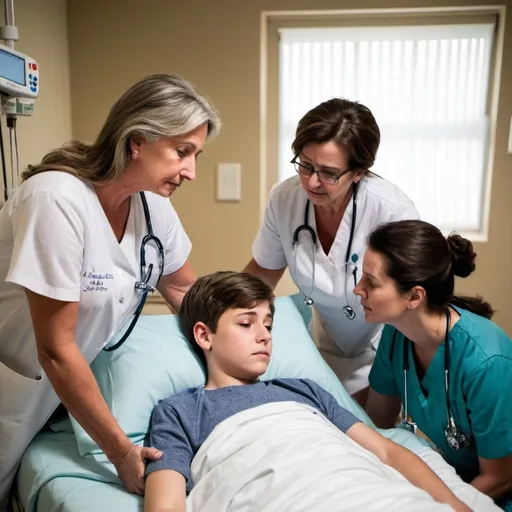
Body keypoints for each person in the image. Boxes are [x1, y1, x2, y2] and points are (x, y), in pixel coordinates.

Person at [0, 73, 220, 507]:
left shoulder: (153, 206)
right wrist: (120, 452)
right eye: (182, 152)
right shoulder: (56, 200)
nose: (191, 172)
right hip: (13, 384)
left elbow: (183, 289)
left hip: (62, 392)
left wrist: (236, 345)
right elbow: (57, 349)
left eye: (196, 155)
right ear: (137, 140)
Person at [143, 270, 471, 512]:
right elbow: (166, 504)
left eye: (269, 325)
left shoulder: (303, 390)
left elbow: (387, 453)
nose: (264, 336)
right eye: (246, 324)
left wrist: (457, 506)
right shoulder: (179, 411)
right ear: (204, 335)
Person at [244, 98, 419, 405]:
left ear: (359, 172)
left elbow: (413, 300)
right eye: (305, 164)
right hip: (322, 345)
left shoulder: (391, 210)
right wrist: (225, 314)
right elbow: (261, 273)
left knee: (372, 436)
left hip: (384, 345)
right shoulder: (285, 199)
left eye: (328, 173)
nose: (312, 181)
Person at [353, 219, 512, 510]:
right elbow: (378, 424)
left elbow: (500, 477)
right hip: (449, 479)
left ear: (415, 296)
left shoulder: (487, 363)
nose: (357, 290)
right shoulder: (396, 335)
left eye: (371, 282)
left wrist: (440, 504)